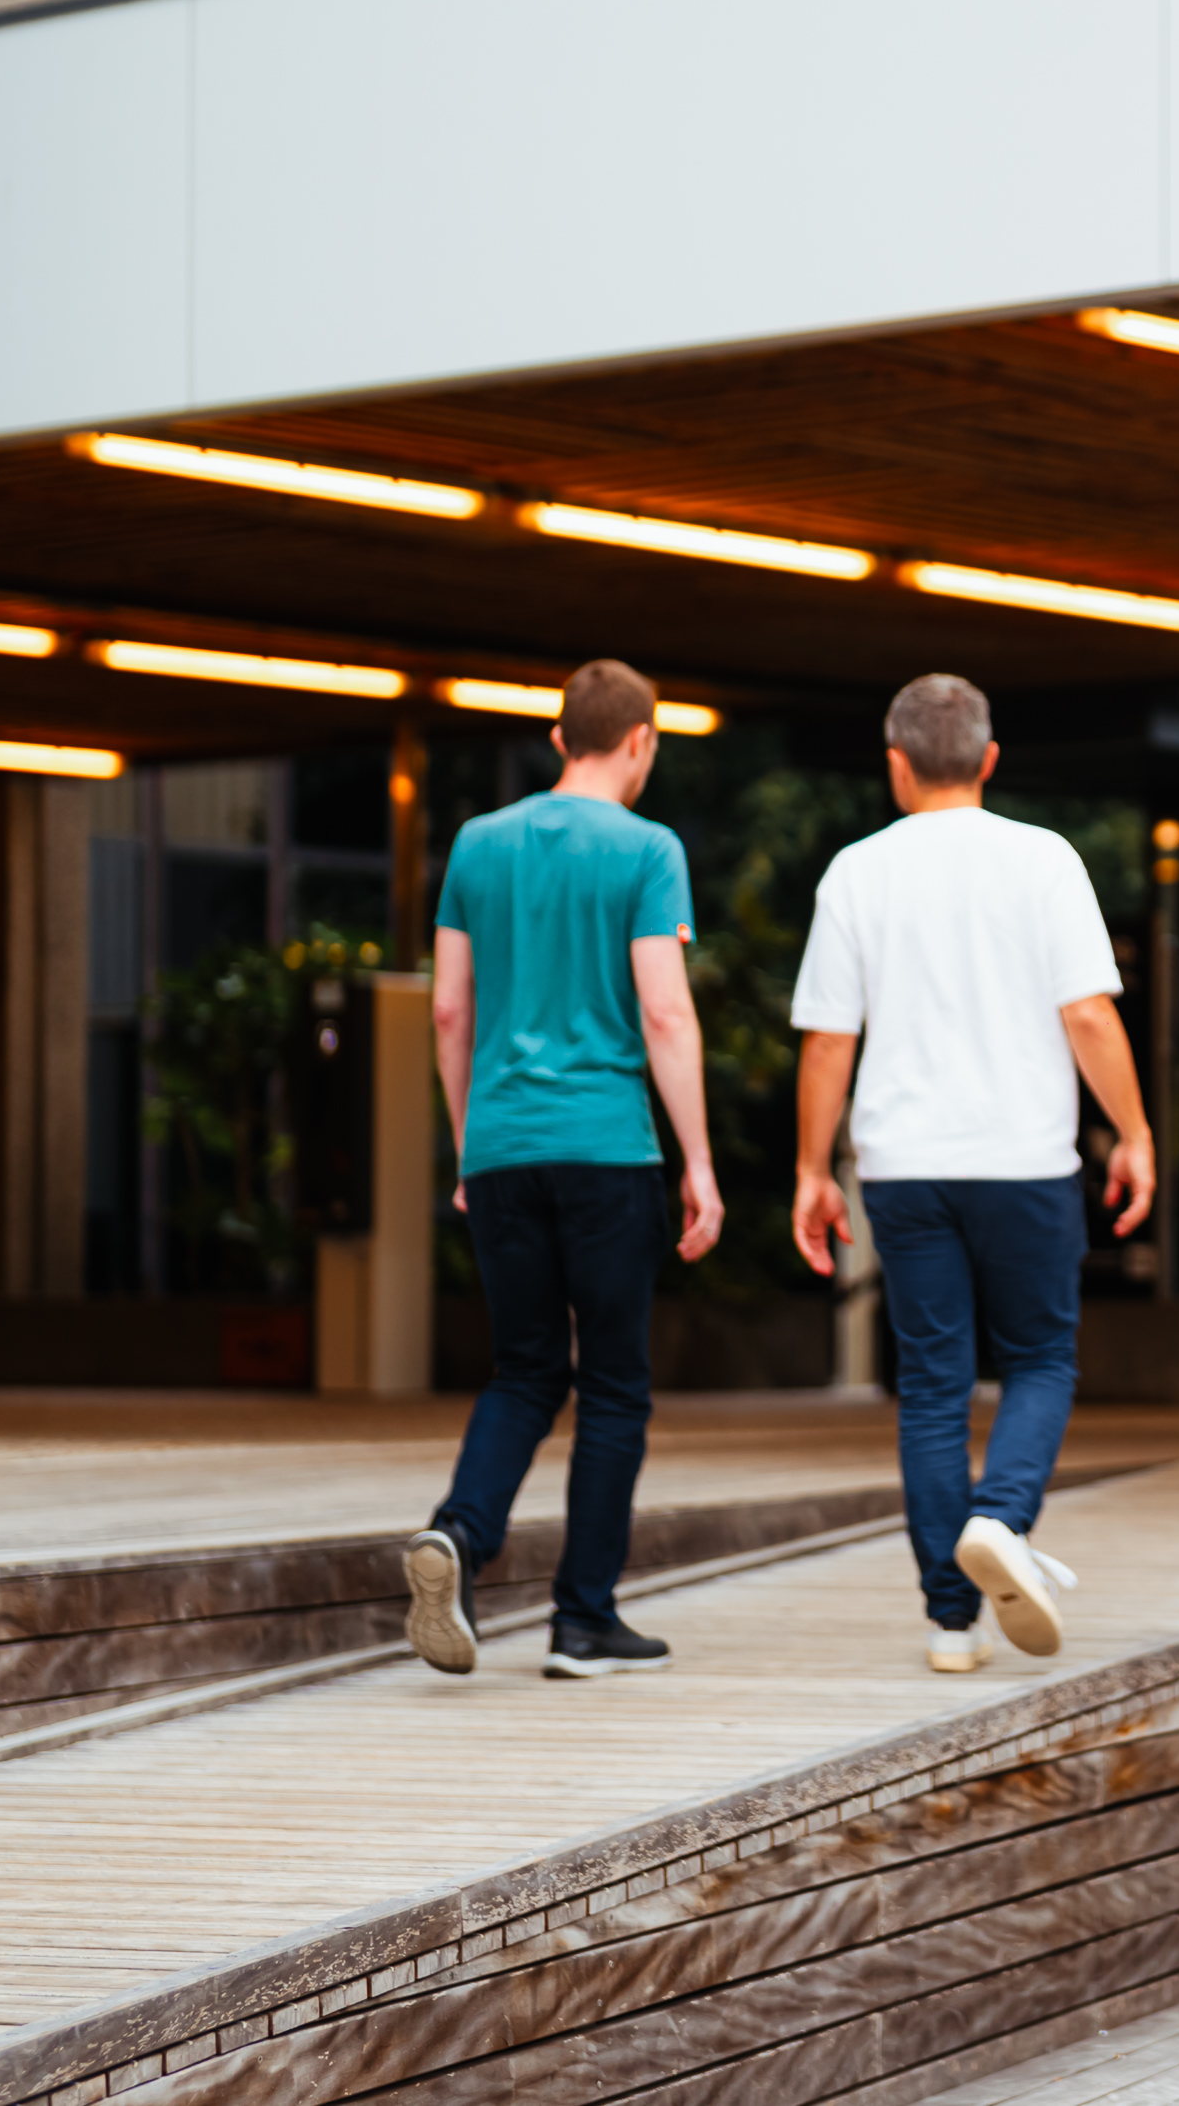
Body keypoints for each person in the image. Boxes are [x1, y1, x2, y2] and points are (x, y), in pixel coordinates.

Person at [790, 673, 1154, 1673]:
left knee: (933, 1387)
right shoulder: (1044, 860)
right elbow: (1087, 1013)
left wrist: (811, 1169)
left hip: (904, 1171)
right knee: (1039, 1359)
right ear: (990, 759)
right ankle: (1003, 1518)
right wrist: (1132, 1130)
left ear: (896, 764)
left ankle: (950, 1623)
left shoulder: (856, 871)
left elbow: (828, 1042)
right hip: (1024, 1160)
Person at [402, 659, 723, 1680]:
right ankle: (583, 1621)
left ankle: (458, 1531)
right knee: (614, 1386)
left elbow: (449, 1007)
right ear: (640, 743)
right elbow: (665, 1012)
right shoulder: (648, 849)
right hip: (604, 1148)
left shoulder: (476, 844)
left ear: (557, 740)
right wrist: (700, 1163)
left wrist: (467, 1143)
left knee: (526, 1369)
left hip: (500, 1145)